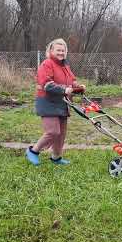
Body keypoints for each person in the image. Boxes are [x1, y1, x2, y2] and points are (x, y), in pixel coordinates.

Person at [26, 38, 85, 166]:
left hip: (63, 102)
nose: (61, 53)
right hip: (48, 102)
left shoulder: (65, 66)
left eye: (63, 50)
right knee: (53, 132)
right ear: (51, 51)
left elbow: (72, 80)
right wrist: (66, 89)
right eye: (58, 50)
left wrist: (77, 86)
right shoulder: (46, 64)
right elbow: (47, 85)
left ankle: (56, 158)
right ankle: (33, 151)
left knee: (61, 134)